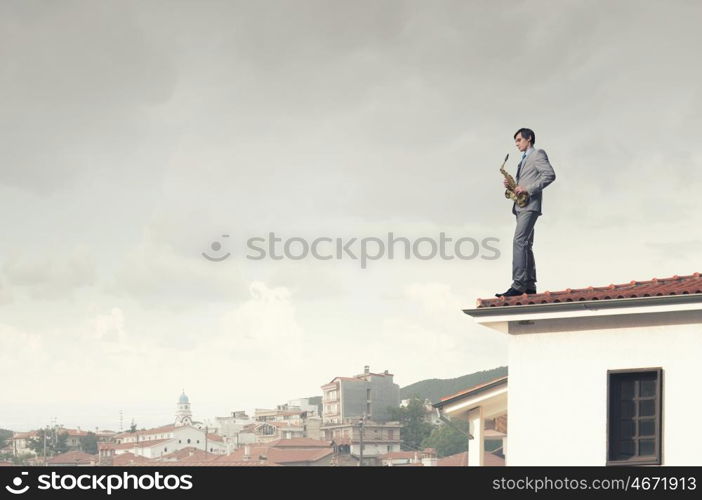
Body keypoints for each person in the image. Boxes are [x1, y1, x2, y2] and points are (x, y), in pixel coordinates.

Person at [496, 128, 556, 297]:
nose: (516, 144)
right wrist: (513, 187)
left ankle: (518, 284)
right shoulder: (523, 160)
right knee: (526, 244)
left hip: (529, 204)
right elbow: (525, 181)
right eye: (515, 141)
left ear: (529, 139)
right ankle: (529, 284)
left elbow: (549, 175)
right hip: (521, 206)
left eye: (519, 140)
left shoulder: (538, 154)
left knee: (519, 241)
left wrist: (527, 190)